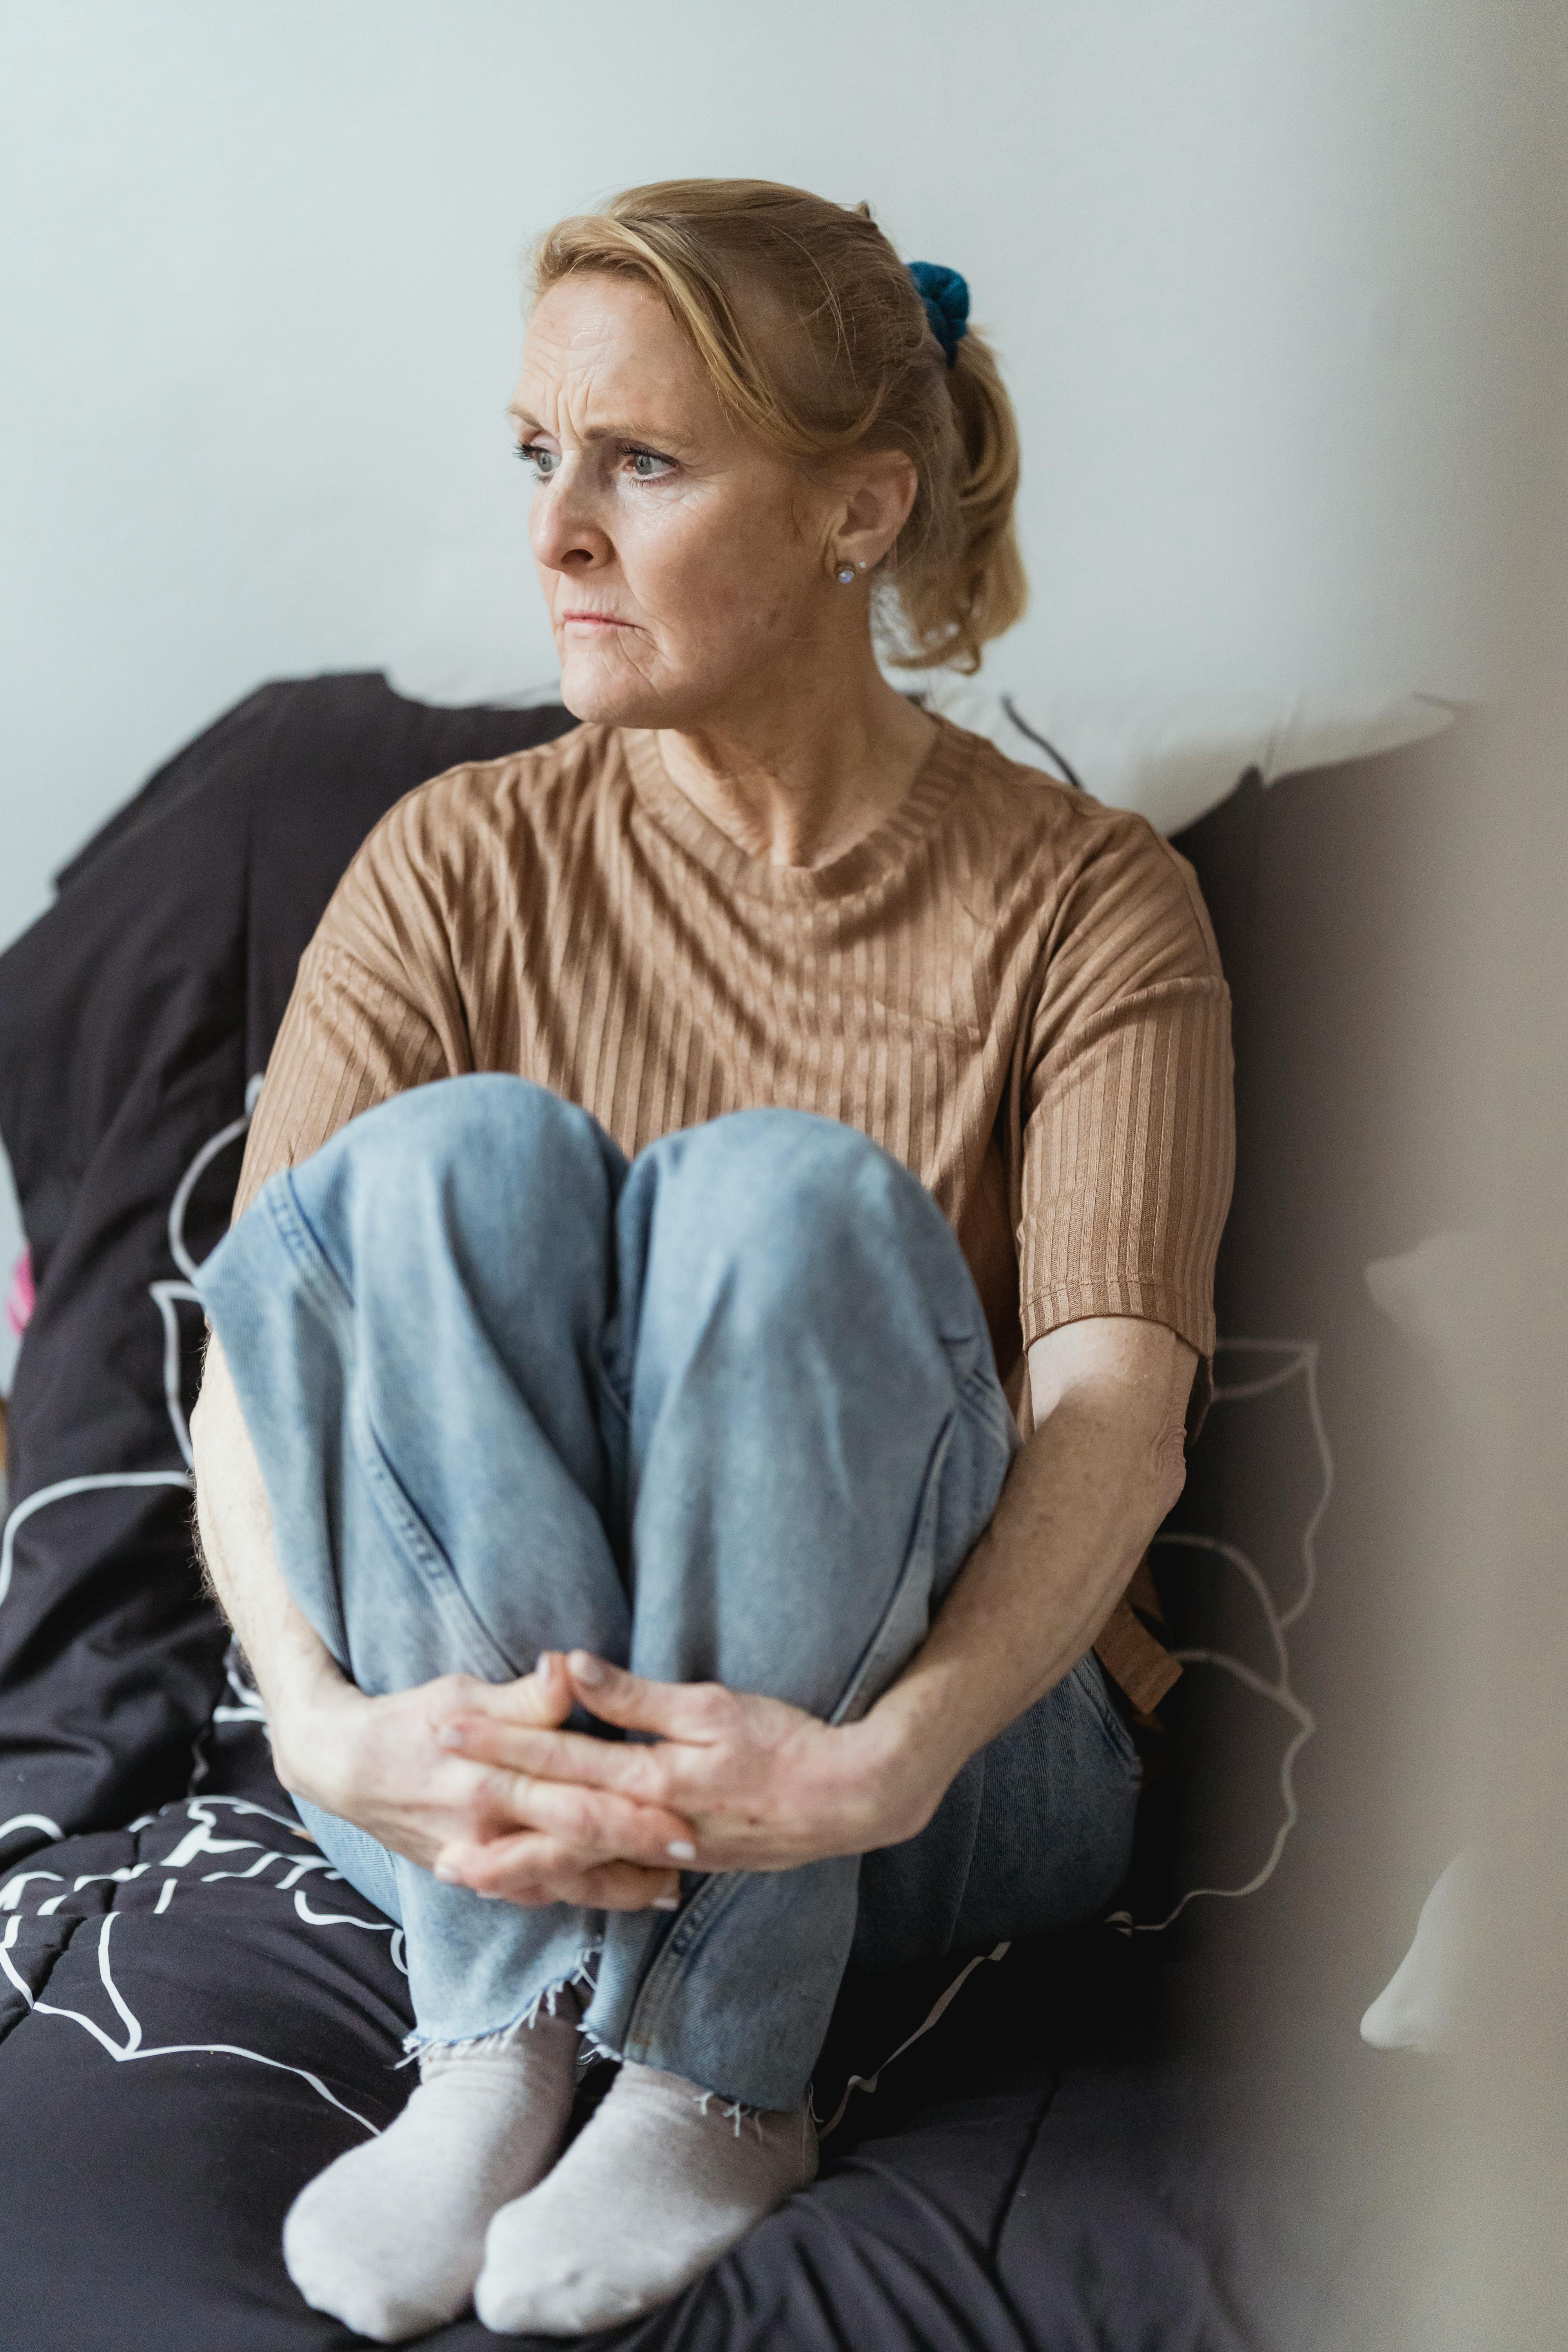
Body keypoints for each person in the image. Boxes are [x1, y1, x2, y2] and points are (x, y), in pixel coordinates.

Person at [190, 178, 1233, 2343]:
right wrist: (314, 1728)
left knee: (780, 1199)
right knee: (437, 1165)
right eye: (535, 457)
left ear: (859, 511)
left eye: (642, 462)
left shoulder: (1090, 903)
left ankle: (708, 2067)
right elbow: (259, 1361)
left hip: (940, 1780)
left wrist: (882, 1761)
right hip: (488, 1775)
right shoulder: (453, 859)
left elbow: (1120, 1407)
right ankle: (498, 2047)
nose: (556, 531)